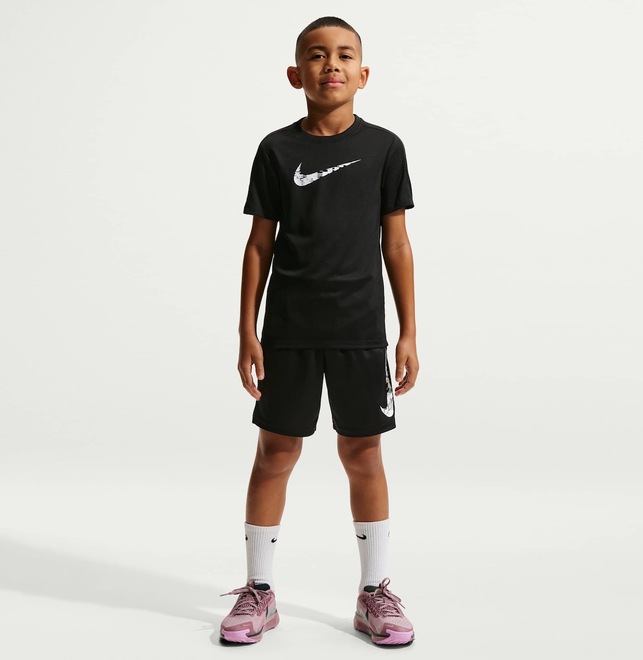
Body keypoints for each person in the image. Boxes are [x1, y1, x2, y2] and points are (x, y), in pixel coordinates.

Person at [220, 16, 419, 647]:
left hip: (360, 331)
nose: (331, 64)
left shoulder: (385, 147)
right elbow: (259, 244)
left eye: (344, 55)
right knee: (276, 453)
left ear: (364, 74)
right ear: (294, 74)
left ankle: (374, 592)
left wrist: (408, 332)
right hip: (289, 331)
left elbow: (397, 243)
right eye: (316, 54)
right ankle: (258, 590)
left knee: (363, 455)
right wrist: (247, 329)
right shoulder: (277, 150)